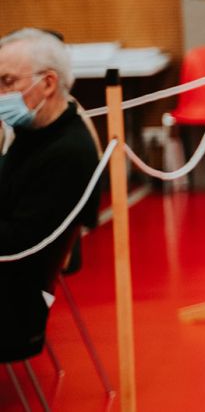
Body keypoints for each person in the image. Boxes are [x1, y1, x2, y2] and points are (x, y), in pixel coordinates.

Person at [0, 28, 100, 362]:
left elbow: (18, 244)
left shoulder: (68, 153)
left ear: (47, 83)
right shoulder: (34, 131)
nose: (1, 93)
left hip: (14, 304)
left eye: (7, 81)